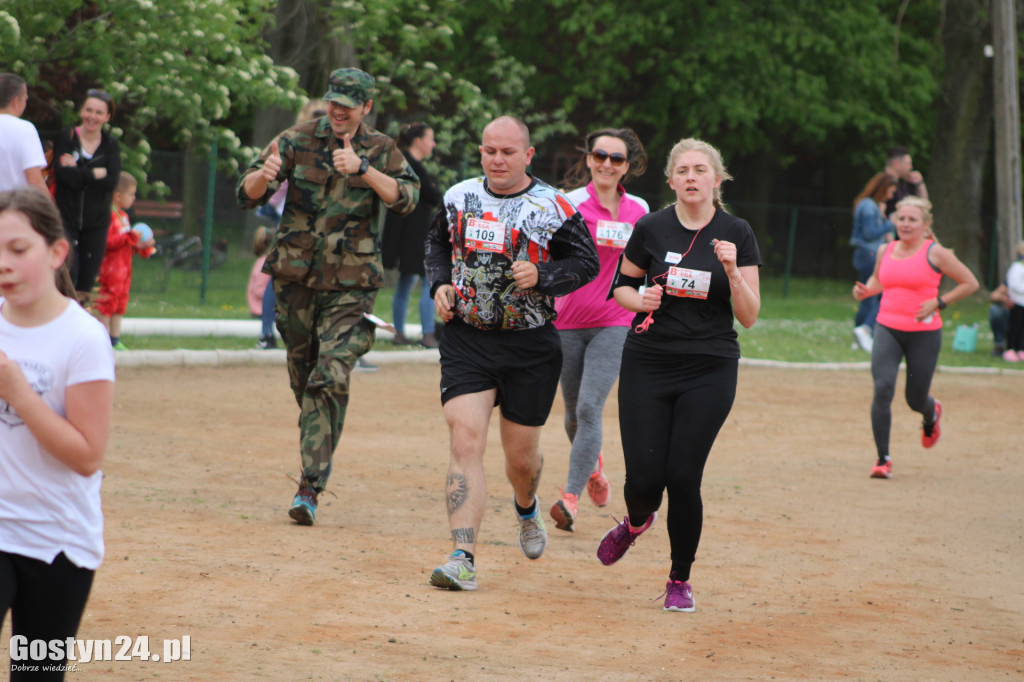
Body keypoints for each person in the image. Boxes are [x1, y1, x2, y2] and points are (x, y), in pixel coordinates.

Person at [236, 68, 420, 526]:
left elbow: (408, 198)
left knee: (329, 374)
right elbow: (245, 192)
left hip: (352, 287)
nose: (338, 110)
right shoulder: (295, 139)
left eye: (348, 104)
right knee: (307, 383)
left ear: (366, 108)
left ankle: (309, 487)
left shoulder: (381, 149)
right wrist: (266, 175)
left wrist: (364, 170)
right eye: (333, 100)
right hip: (295, 283)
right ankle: (317, 451)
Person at [424, 115, 599, 591]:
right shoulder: (458, 197)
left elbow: (586, 263)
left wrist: (543, 276)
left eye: (507, 152)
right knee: (465, 441)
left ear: (527, 155)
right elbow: (437, 244)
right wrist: (440, 284)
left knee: (521, 459)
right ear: (480, 152)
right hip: (468, 338)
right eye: (489, 151)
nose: (497, 159)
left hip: (531, 345)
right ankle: (463, 557)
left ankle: (527, 508)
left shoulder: (553, 206)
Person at [596, 138, 762, 613]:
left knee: (684, 476)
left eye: (700, 170)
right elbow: (621, 288)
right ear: (670, 180)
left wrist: (732, 271)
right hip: (649, 359)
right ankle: (634, 521)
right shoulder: (651, 227)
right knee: (646, 480)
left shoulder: (737, 232)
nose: (691, 177)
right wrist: (640, 299)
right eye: (683, 170)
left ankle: (678, 579)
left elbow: (749, 316)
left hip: (710, 365)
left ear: (717, 179)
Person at [0, 187, 115, 677]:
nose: (3, 263)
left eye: (17, 249)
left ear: (56, 252)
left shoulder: (83, 338)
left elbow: (88, 455)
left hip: (59, 540)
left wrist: (19, 393)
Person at [548, 128, 649, 533]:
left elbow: (648, 261)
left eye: (617, 158)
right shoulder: (566, 204)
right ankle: (594, 468)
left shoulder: (639, 210)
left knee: (590, 408)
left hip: (616, 321)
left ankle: (569, 498)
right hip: (566, 322)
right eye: (600, 155)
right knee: (574, 416)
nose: (607, 164)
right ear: (588, 158)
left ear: (629, 166)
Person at [853, 196, 978, 479]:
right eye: (901, 219)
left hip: (924, 332)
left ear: (925, 224)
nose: (906, 224)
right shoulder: (885, 249)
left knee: (915, 398)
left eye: (912, 220)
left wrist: (939, 303)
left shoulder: (936, 253)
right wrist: (866, 291)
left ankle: (930, 412)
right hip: (887, 327)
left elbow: (971, 283)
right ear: (895, 221)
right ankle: (882, 459)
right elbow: (879, 280)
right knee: (883, 388)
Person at [53, 88, 122, 304]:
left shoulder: (110, 145)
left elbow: (111, 181)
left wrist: (79, 169)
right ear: (82, 111)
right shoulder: (67, 137)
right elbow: (65, 177)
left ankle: (81, 330)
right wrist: (94, 172)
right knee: (65, 276)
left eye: (99, 112)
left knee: (86, 283)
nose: (92, 116)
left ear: (107, 117)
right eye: (89, 110)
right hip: (67, 219)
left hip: (96, 223)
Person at [382, 123, 443, 347]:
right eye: (430, 139)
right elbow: (432, 195)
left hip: (407, 233)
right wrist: (433, 190)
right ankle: (427, 334)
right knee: (428, 282)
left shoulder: (405, 163)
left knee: (407, 282)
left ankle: (399, 332)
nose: (433, 144)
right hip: (412, 234)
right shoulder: (411, 165)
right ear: (418, 141)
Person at [94, 172, 155, 350]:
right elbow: (107, 242)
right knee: (107, 303)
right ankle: (102, 341)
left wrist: (141, 246)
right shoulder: (107, 216)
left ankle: (115, 340)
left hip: (124, 270)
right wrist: (130, 237)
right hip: (110, 269)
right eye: (131, 194)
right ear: (118, 196)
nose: (134, 198)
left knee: (120, 303)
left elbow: (126, 244)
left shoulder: (124, 216)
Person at [850, 173, 896, 353]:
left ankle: (859, 336)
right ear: (882, 188)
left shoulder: (868, 205)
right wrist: (890, 223)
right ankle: (866, 329)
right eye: (890, 191)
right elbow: (869, 233)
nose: (891, 196)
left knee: (866, 297)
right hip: (869, 255)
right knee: (880, 295)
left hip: (863, 255)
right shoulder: (869, 206)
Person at [0, 74, 48, 194]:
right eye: (25, 100)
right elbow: (35, 181)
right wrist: (51, 210)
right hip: (14, 207)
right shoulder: (24, 130)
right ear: (16, 101)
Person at [249, 225, 276, 349]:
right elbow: (258, 290)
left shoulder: (264, 261)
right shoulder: (265, 263)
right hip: (261, 310)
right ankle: (266, 337)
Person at [884, 145, 928, 218]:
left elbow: (924, 206)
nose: (911, 167)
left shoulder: (903, 183)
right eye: (908, 164)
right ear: (896, 163)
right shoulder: (882, 184)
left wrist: (919, 184)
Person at [1001, 241, 1024, 362]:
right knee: (1014, 326)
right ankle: (1010, 349)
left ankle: (1020, 349)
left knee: (1022, 328)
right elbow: (1014, 285)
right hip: (1017, 303)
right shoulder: (1016, 267)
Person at [988, 284, 1012, 357]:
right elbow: (994, 295)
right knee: (996, 310)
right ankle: (999, 345)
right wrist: (1004, 298)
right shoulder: (1013, 281)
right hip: (1011, 312)